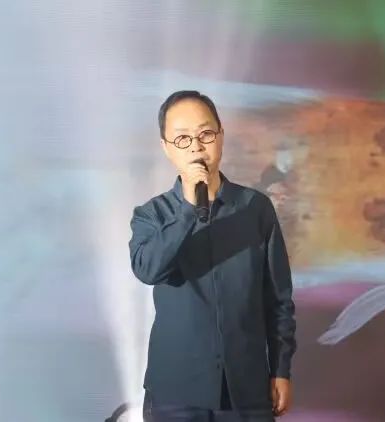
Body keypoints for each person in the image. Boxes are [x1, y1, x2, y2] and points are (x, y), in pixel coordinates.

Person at [128, 90, 297, 422]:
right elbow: (148, 270)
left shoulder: (255, 208)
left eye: (205, 134)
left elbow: (278, 298)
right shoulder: (152, 215)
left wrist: (281, 369)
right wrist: (189, 210)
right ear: (166, 147)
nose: (196, 146)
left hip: (246, 389)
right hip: (176, 390)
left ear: (221, 136)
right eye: (182, 138)